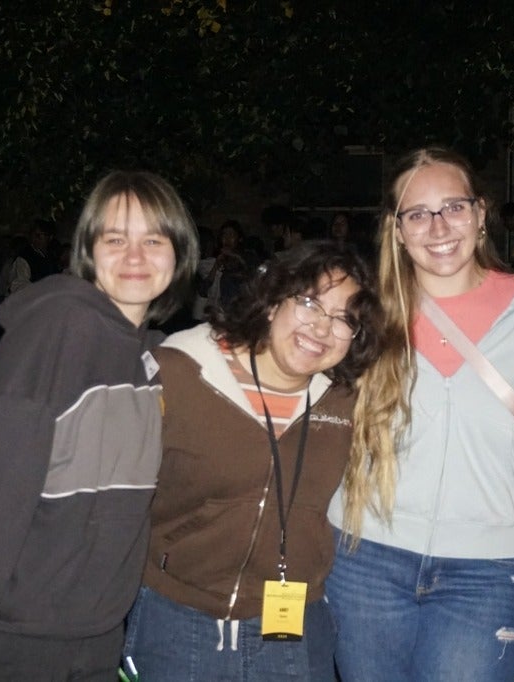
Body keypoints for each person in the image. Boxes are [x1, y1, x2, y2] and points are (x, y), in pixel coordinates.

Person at [0, 170, 199, 680]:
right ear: (87, 251)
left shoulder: (149, 361)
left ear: (180, 254)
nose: (135, 256)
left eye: (153, 240)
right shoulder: (59, 331)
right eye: (115, 239)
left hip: (95, 638)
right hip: (12, 641)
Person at [325, 147, 514, 681]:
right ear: (397, 230)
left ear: (481, 214)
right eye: (417, 213)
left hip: (486, 572)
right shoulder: (363, 316)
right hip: (366, 560)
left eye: (454, 207)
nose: (438, 227)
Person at [123, 241, 383, 681]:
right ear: (273, 302)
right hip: (178, 615)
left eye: (345, 319)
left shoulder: (347, 401)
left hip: (294, 627)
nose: (322, 327)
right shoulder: (180, 373)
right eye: (309, 303)